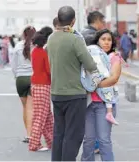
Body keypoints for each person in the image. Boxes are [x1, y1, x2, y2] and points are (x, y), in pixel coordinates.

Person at [47, 6, 101, 161]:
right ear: (73, 21)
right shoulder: (75, 39)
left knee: (59, 133)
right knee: (74, 135)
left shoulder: (51, 38)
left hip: (56, 93)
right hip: (74, 94)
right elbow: (90, 64)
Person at [81, 29, 122, 161]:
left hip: (104, 105)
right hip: (89, 103)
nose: (106, 42)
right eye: (103, 39)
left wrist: (92, 85)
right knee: (88, 140)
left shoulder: (114, 57)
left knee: (104, 140)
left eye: (109, 40)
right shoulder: (90, 55)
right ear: (97, 41)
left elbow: (113, 78)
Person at [81, 11, 106, 154]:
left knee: (89, 114)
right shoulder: (93, 36)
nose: (103, 24)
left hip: (84, 78)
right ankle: (95, 144)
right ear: (97, 21)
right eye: (102, 21)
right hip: (94, 78)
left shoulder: (81, 35)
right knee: (96, 112)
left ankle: (92, 144)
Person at [28, 27, 54, 152]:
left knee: (46, 115)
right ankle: (34, 144)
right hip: (43, 85)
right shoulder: (43, 53)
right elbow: (49, 70)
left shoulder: (34, 52)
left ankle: (52, 142)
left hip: (35, 84)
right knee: (41, 116)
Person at [11, 26, 36, 143]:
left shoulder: (17, 46)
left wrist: (17, 75)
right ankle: (32, 134)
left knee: (25, 107)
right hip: (33, 77)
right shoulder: (37, 45)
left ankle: (28, 133)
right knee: (31, 108)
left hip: (20, 79)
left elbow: (13, 65)